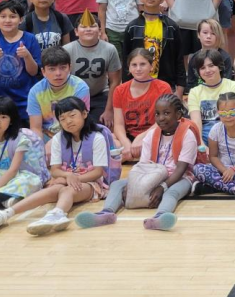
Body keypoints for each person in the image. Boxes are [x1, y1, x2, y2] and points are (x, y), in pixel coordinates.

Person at [0, 97, 117, 235]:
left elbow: (98, 172)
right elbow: (55, 170)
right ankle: (5, 214)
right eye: (63, 118)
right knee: (48, 192)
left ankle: (57, 214)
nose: (68, 121)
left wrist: (70, 178)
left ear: (84, 114)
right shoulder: (59, 138)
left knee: (67, 190)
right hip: (65, 180)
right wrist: (67, 176)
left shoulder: (97, 138)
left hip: (91, 183)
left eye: (72, 115)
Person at [75, 94, 199, 231]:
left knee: (172, 193)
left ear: (178, 114)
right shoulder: (151, 135)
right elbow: (143, 167)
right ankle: (106, 214)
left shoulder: (188, 135)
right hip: (153, 175)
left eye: (166, 113)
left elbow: (181, 169)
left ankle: (161, 217)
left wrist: (162, 187)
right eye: (157, 114)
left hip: (180, 177)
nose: (161, 118)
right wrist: (134, 185)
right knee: (117, 184)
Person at [0, 0, 41, 125]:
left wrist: (27, 56)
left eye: (13, 16)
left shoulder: (30, 39)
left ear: (21, 19)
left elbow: (33, 72)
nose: (7, 20)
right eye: (3, 16)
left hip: (23, 100)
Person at [194, 91, 235, 196]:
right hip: (221, 170)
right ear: (218, 113)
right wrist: (225, 171)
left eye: (232, 112)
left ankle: (213, 187)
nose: (227, 116)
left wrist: (233, 170)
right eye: (223, 113)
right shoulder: (215, 130)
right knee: (198, 168)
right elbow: (213, 156)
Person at [122, 0, 183, 94]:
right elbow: (126, 60)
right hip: (138, 85)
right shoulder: (132, 27)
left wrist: (179, 90)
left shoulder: (171, 27)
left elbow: (178, 60)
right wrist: (126, 87)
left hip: (165, 84)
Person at [111, 48, 173, 161]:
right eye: (134, 65)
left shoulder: (163, 87)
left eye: (143, 64)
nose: (138, 69)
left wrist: (141, 138)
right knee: (109, 138)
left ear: (151, 66)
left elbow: (164, 122)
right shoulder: (120, 90)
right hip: (130, 138)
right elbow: (118, 125)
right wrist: (126, 144)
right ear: (129, 68)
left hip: (154, 134)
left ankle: (132, 157)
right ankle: (132, 155)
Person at [63, 11, 120, 128]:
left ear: (100, 31)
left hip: (100, 95)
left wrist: (109, 110)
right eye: (83, 27)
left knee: (102, 127)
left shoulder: (110, 49)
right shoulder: (67, 50)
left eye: (92, 26)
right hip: (74, 96)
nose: (88, 29)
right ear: (76, 31)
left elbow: (115, 81)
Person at [27, 46, 91, 143]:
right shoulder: (35, 91)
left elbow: (79, 124)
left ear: (70, 67)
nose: (58, 73)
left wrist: (56, 144)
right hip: (46, 137)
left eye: (63, 68)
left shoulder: (80, 88)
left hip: (74, 134)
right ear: (43, 71)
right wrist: (40, 150)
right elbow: (36, 128)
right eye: (52, 69)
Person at [187, 48, 235, 141]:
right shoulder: (194, 92)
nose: (207, 70)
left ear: (220, 67)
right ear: (199, 72)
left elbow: (234, 118)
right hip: (205, 136)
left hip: (229, 134)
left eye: (211, 66)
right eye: (202, 68)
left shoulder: (234, 86)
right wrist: (200, 144)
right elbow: (196, 122)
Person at [183, 18, 235, 90]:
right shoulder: (193, 58)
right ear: (198, 34)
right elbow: (191, 84)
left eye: (213, 33)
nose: (208, 36)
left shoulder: (225, 58)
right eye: (205, 32)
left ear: (218, 36)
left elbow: (227, 82)